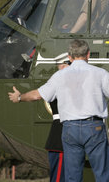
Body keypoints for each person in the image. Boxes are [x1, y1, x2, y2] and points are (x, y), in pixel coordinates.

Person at [8, 39, 109, 182]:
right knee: (102, 175)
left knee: (72, 177)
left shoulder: (59, 76)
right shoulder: (99, 74)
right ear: (88, 55)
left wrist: (20, 97)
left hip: (69, 129)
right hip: (94, 127)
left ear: (70, 57)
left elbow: (37, 95)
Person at [44, 52, 70, 182]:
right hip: (61, 135)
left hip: (62, 135)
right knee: (59, 177)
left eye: (59, 65)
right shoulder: (60, 83)